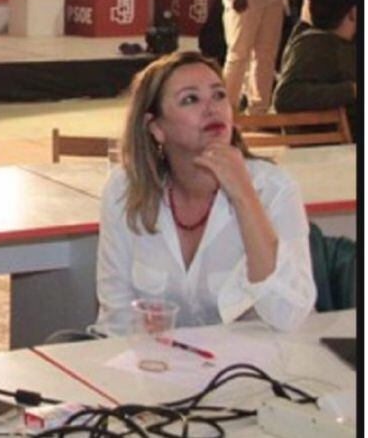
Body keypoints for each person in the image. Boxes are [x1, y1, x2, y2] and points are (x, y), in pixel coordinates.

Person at [95, 51, 315, 333]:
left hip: (253, 366)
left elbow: (287, 315)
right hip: (154, 364)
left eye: (219, 95)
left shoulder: (274, 190)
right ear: (157, 128)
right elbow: (117, 315)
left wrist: (244, 196)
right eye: (190, 99)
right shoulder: (125, 189)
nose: (212, 109)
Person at [273, 0, 357, 136]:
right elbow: (286, 96)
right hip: (331, 154)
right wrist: (352, 90)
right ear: (353, 13)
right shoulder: (314, 45)